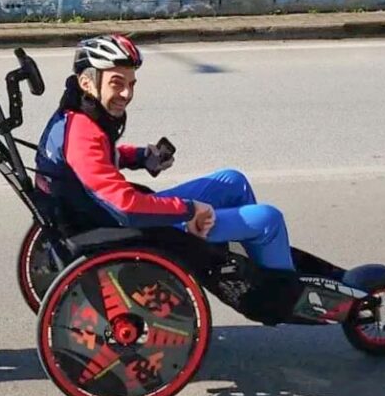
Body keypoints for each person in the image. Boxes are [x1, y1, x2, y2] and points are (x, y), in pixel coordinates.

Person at [35, 34, 295, 271]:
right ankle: (281, 294)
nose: (127, 94)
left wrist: (138, 156)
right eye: (117, 83)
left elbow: (95, 160)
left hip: (97, 215)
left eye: (131, 83)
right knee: (268, 219)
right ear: (86, 83)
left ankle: (257, 265)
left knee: (232, 181)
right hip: (123, 229)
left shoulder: (74, 117)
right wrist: (191, 209)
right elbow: (125, 206)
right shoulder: (82, 132)